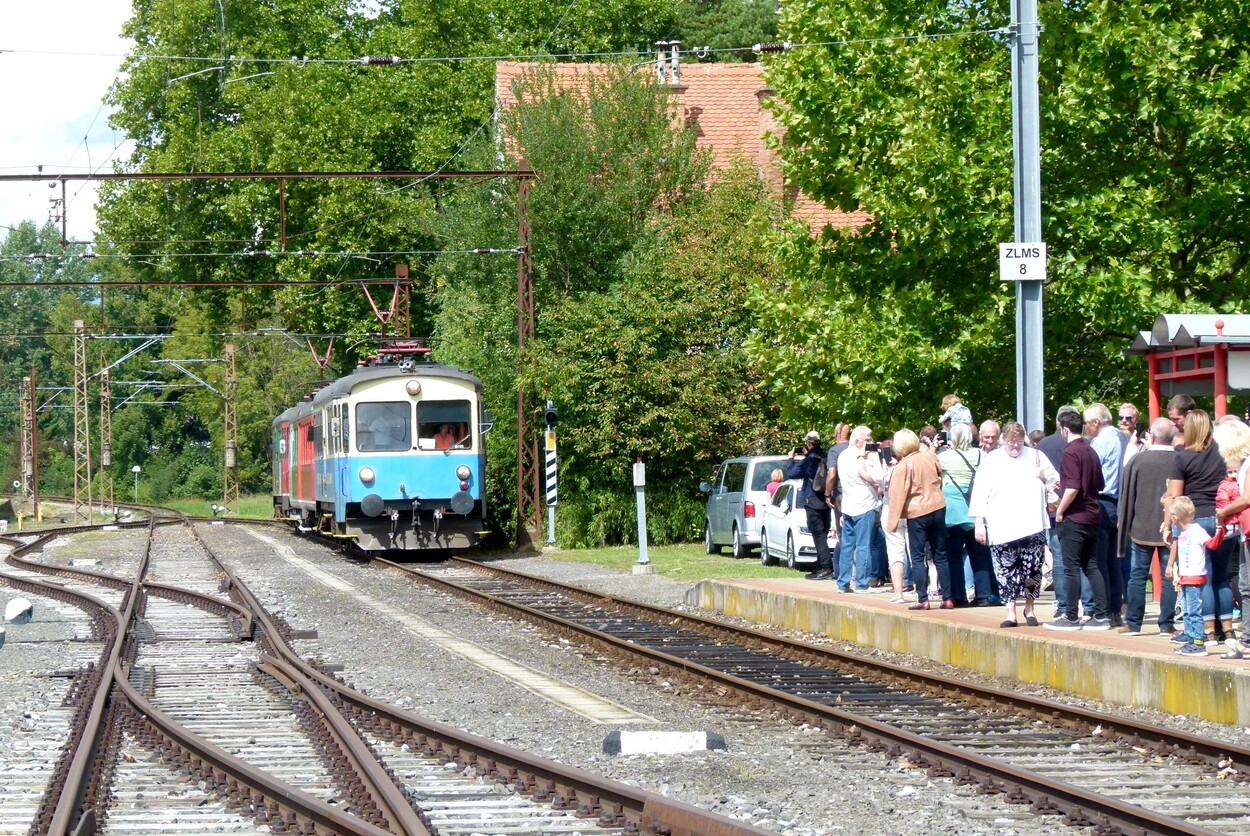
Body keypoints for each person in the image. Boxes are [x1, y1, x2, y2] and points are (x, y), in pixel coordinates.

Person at [969, 421, 1058, 628]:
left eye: (1018, 442)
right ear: (1003, 441)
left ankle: (1030, 608)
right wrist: (979, 522)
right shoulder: (992, 460)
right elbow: (980, 492)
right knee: (1005, 570)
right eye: (1011, 443)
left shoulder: (1036, 456)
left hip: (1033, 523)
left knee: (1032, 569)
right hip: (1003, 526)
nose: (1015, 447)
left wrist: (1044, 477)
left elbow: (1056, 481)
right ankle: (1011, 611)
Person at [1163, 410, 1232, 646]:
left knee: (1204, 579)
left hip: (1196, 520)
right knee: (1222, 577)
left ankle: (1206, 631)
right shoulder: (1224, 454)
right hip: (1223, 519)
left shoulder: (1183, 457)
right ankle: (1228, 630)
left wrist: (1167, 525)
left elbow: (1174, 495)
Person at [1046, 408, 1110, 631]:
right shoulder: (1090, 451)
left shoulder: (1070, 452)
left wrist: (1061, 510)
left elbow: (1073, 487)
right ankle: (1101, 615)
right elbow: (1099, 484)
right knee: (1092, 566)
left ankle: (1071, 616)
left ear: (1064, 429)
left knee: (1070, 567)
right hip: (1093, 515)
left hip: (1075, 516)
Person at [1117, 417, 1178, 636]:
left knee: (1137, 576)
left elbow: (1127, 496)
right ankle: (1167, 624)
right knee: (1169, 575)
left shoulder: (1137, 460)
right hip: (1171, 527)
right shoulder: (1180, 460)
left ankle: (1133, 623)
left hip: (1140, 526)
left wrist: (1123, 524)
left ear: (1151, 436)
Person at [885, 428, 951, 610]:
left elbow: (896, 496)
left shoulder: (902, 466)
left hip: (918, 512)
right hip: (938, 506)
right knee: (940, 555)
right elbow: (939, 474)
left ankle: (923, 599)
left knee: (918, 556)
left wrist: (891, 523)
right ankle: (947, 598)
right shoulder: (930, 456)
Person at [1038, 405, 1090, 619]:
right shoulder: (1086, 444)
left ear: (1059, 423)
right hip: (1081, 508)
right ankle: (1088, 605)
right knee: (1084, 560)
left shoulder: (1043, 445)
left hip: (1054, 508)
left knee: (1059, 559)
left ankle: (1063, 605)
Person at [937, 423, 991, 606]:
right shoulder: (980, 455)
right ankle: (983, 595)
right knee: (979, 553)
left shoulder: (944, 457)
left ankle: (958, 596)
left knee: (953, 555)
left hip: (952, 510)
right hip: (976, 508)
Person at [1085, 403, 1125, 626]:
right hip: (1120, 503)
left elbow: (1090, 470)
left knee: (1099, 561)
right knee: (1114, 561)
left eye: (1088, 424)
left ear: (1095, 423)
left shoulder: (1100, 442)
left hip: (1102, 501)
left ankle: (1103, 610)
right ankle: (1115, 611)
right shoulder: (1124, 438)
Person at [1216, 418, 1250, 659]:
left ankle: (1248, 641)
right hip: (1245, 529)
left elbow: (1248, 498)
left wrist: (1223, 511)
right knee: (1245, 585)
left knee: (1247, 586)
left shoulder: (1247, 464)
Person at [836, 426, 885, 592]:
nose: (870, 442)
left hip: (848, 504)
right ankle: (862, 583)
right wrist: (875, 458)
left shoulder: (843, 455)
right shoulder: (862, 456)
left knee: (847, 546)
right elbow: (876, 475)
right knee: (864, 546)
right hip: (865, 505)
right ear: (857, 441)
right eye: (867, 439)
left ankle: (843, 583)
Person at [1167, 496, 1211, 656]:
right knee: (1186, 610)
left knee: (1194, 611)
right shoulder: (1183, 533)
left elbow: (1211, 544)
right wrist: (1175, 571)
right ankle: (1191, 640)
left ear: (1176, 518)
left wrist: (1221, 532)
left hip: (1195, 577)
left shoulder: (1197, 530)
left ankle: (1198, 643)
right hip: (1185, 577)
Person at [787, 431, 834, 581]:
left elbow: (792, 473)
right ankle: (820, 565)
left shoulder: (810, 459)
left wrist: (791, 459)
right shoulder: (825, 456)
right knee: (823, 534)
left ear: (808, 443)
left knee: (818, 535)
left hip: (812, 501)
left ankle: (826, 567)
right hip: (825, 500)